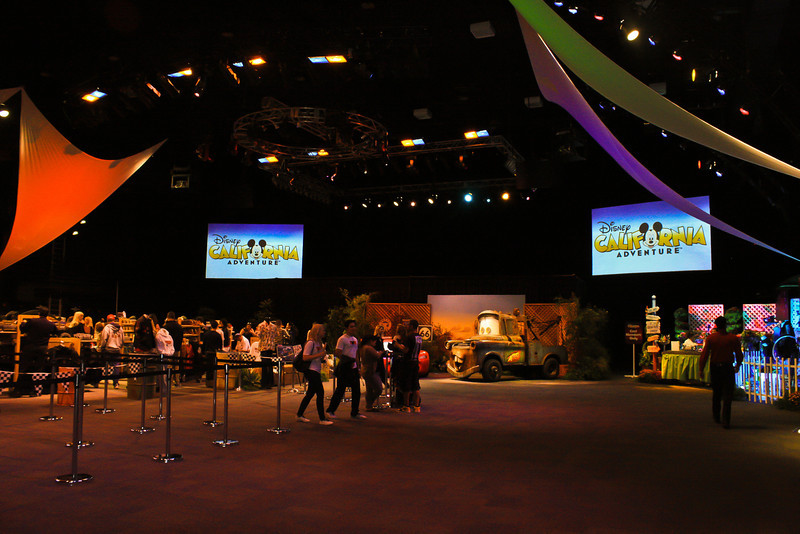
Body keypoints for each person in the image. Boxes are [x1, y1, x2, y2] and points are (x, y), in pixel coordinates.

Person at [699, 316, 744, 429]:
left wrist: (701, 369)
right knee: (728, 395)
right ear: (726, 325)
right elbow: (739, 354)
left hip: (715, 367)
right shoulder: (732, 338)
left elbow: (704, 355)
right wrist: (738, 365)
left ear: (716, 325)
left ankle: (716, 416)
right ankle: (726, 420)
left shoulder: (711, 338)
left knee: (716, 393)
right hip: (727, 367)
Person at [326, 320, 365, 419]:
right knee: (340, 390)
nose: (353, 328)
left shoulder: (355, 339)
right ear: (347, 328)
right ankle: (330, 410)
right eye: (351, 326)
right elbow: (337, 352)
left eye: (354, 326)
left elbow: (356, 354)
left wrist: (358, 367)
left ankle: (355, 412)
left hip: (354, 368)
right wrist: (347, 360)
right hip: (345, 368)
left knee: (356, 391)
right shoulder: (342, 339)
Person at [15, 306, 57, 396]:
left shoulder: (32, 321)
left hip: (30, 347)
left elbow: (22, 329)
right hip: (42, 348)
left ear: (39, 313)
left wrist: (22, 323)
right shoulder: (50, 324)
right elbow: (55, 332)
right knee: (38, 370)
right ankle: (35, 391)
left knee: (24, 368)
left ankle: (18, 390)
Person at [296, 323, 333, 425]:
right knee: (320, 393)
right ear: (317, 331)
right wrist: (320, 354)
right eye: (323, 330)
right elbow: (305, 357)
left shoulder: (318, 343)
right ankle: (322, 418)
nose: (324, 332)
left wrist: (322, 355)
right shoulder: (310, 343)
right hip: (311, 370)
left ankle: (299, 414)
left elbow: (317, 357)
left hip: (316, 370)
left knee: (310, 394)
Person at [98, 313, 125, 387]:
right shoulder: (120, 328)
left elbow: (104, 339)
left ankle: (106, 381)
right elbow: (123, 339)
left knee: (107, 365)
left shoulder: (106, 328)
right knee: (116, 366)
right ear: (114, 320)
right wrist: (120, 346)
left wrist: (102, 347)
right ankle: (116, 382)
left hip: (108, 349)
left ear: (107, 320)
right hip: (117, 349)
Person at [402, 320, 423, 413]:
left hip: (408, 362)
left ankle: (406, 406)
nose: (407, 326)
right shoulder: (419, 337)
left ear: (411, 326)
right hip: (415, 362)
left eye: (408, 325)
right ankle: (417, 406)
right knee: (415, 385)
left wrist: (398, 346)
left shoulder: (409, 337)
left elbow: (406, 350)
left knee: (407, 385)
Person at [359, 335, 384, 412]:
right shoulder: (369, 348)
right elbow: (377, 356)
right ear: (370, 341)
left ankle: (369, 406)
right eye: (374, 341)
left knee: (369, 389)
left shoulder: (363, 348)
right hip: (370, 370)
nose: (375, 342)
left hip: (365, 370)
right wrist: (380, 352)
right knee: (378, 389)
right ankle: (370, 403)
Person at [162, 311, 184, 383]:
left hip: (168, 350)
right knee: (176, 365)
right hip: (177, 348)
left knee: (169, 365)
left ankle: (170, 381)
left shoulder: (165, 327)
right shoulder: (179, 327)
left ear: (167, 317)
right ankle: (177, 380)